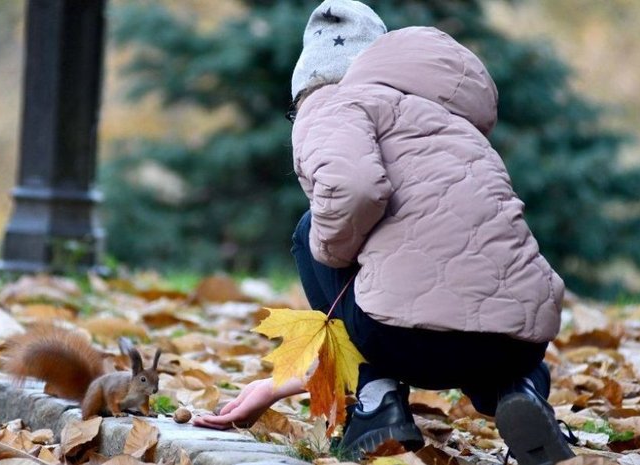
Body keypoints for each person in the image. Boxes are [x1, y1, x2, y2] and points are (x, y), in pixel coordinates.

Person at [193, 1, 577, 464]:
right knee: (475, 288)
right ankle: (523, 393)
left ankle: (377, 404)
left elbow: (353, 188)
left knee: (313, 230)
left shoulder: (334, 101)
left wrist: (333, 257)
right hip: (520, 343)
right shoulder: (455, 125)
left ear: (311, 86)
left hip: (405, 340)